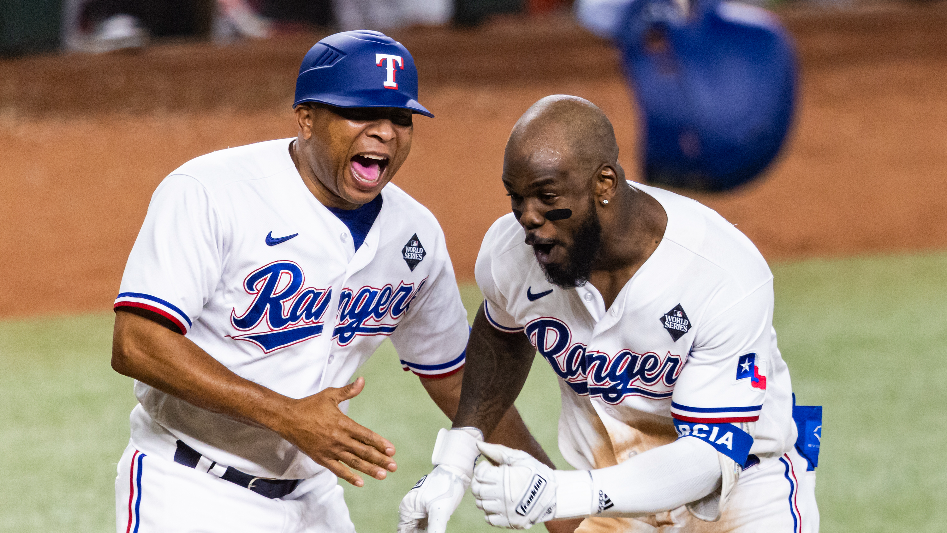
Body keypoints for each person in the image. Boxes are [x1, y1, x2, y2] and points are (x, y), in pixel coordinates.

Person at [110, 30, 553, 533]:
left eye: (400, 119)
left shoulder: (416, 235)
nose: (385, 132)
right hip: (189, 488)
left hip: (314, 497)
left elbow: (460, 381)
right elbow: (138, 343)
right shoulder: (212, 192)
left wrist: (562, 503)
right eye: (361, 113)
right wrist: (286, 415)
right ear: (306, 116)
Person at [399, 95, 820, 532]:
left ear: (604, 184)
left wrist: (561, 495)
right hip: (613, 503)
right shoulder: (511, 254)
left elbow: (709, 459)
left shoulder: (721, 272)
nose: (528, 218)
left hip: (742, 493)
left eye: (547, 197)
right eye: (516, 198)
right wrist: (455, 460)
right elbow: (501, 335)